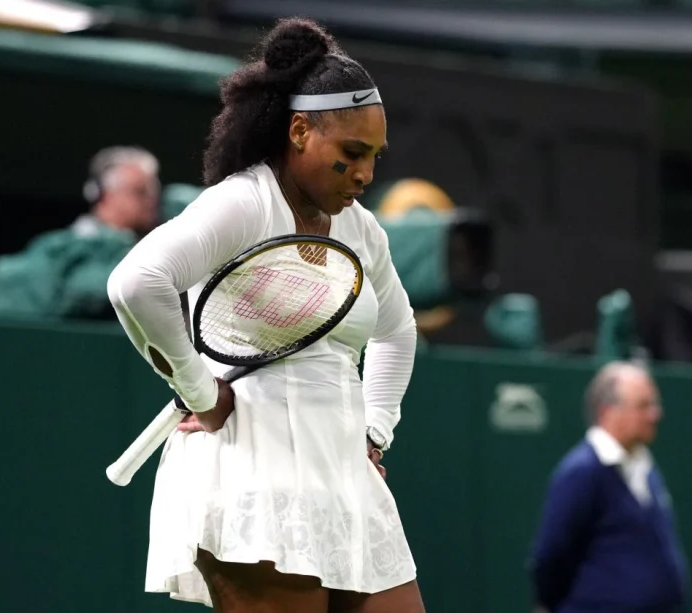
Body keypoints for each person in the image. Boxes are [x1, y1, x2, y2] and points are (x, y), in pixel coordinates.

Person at [105, 17, 425, 613]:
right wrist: (199, 392)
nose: (365, 174)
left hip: (343, 475)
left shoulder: (362, 229)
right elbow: (137, 282)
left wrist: (375, 430)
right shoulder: (242, 202)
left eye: (375, 157)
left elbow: (396, 329)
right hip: (251, 473)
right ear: (300, 131)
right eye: (352, 153)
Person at [528, 361, 690, 613]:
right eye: (643, 406)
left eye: (654, 405)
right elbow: (551, 556)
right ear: (607, 412)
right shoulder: (582, 471)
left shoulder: (645, 467)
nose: (655, 414)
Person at [0, 146, 160, 320]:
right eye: (140, 192)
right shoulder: (60, 247)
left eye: (155, 193)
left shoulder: (147, 244)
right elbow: (80, 292)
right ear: (105, 195)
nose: (151, 201)